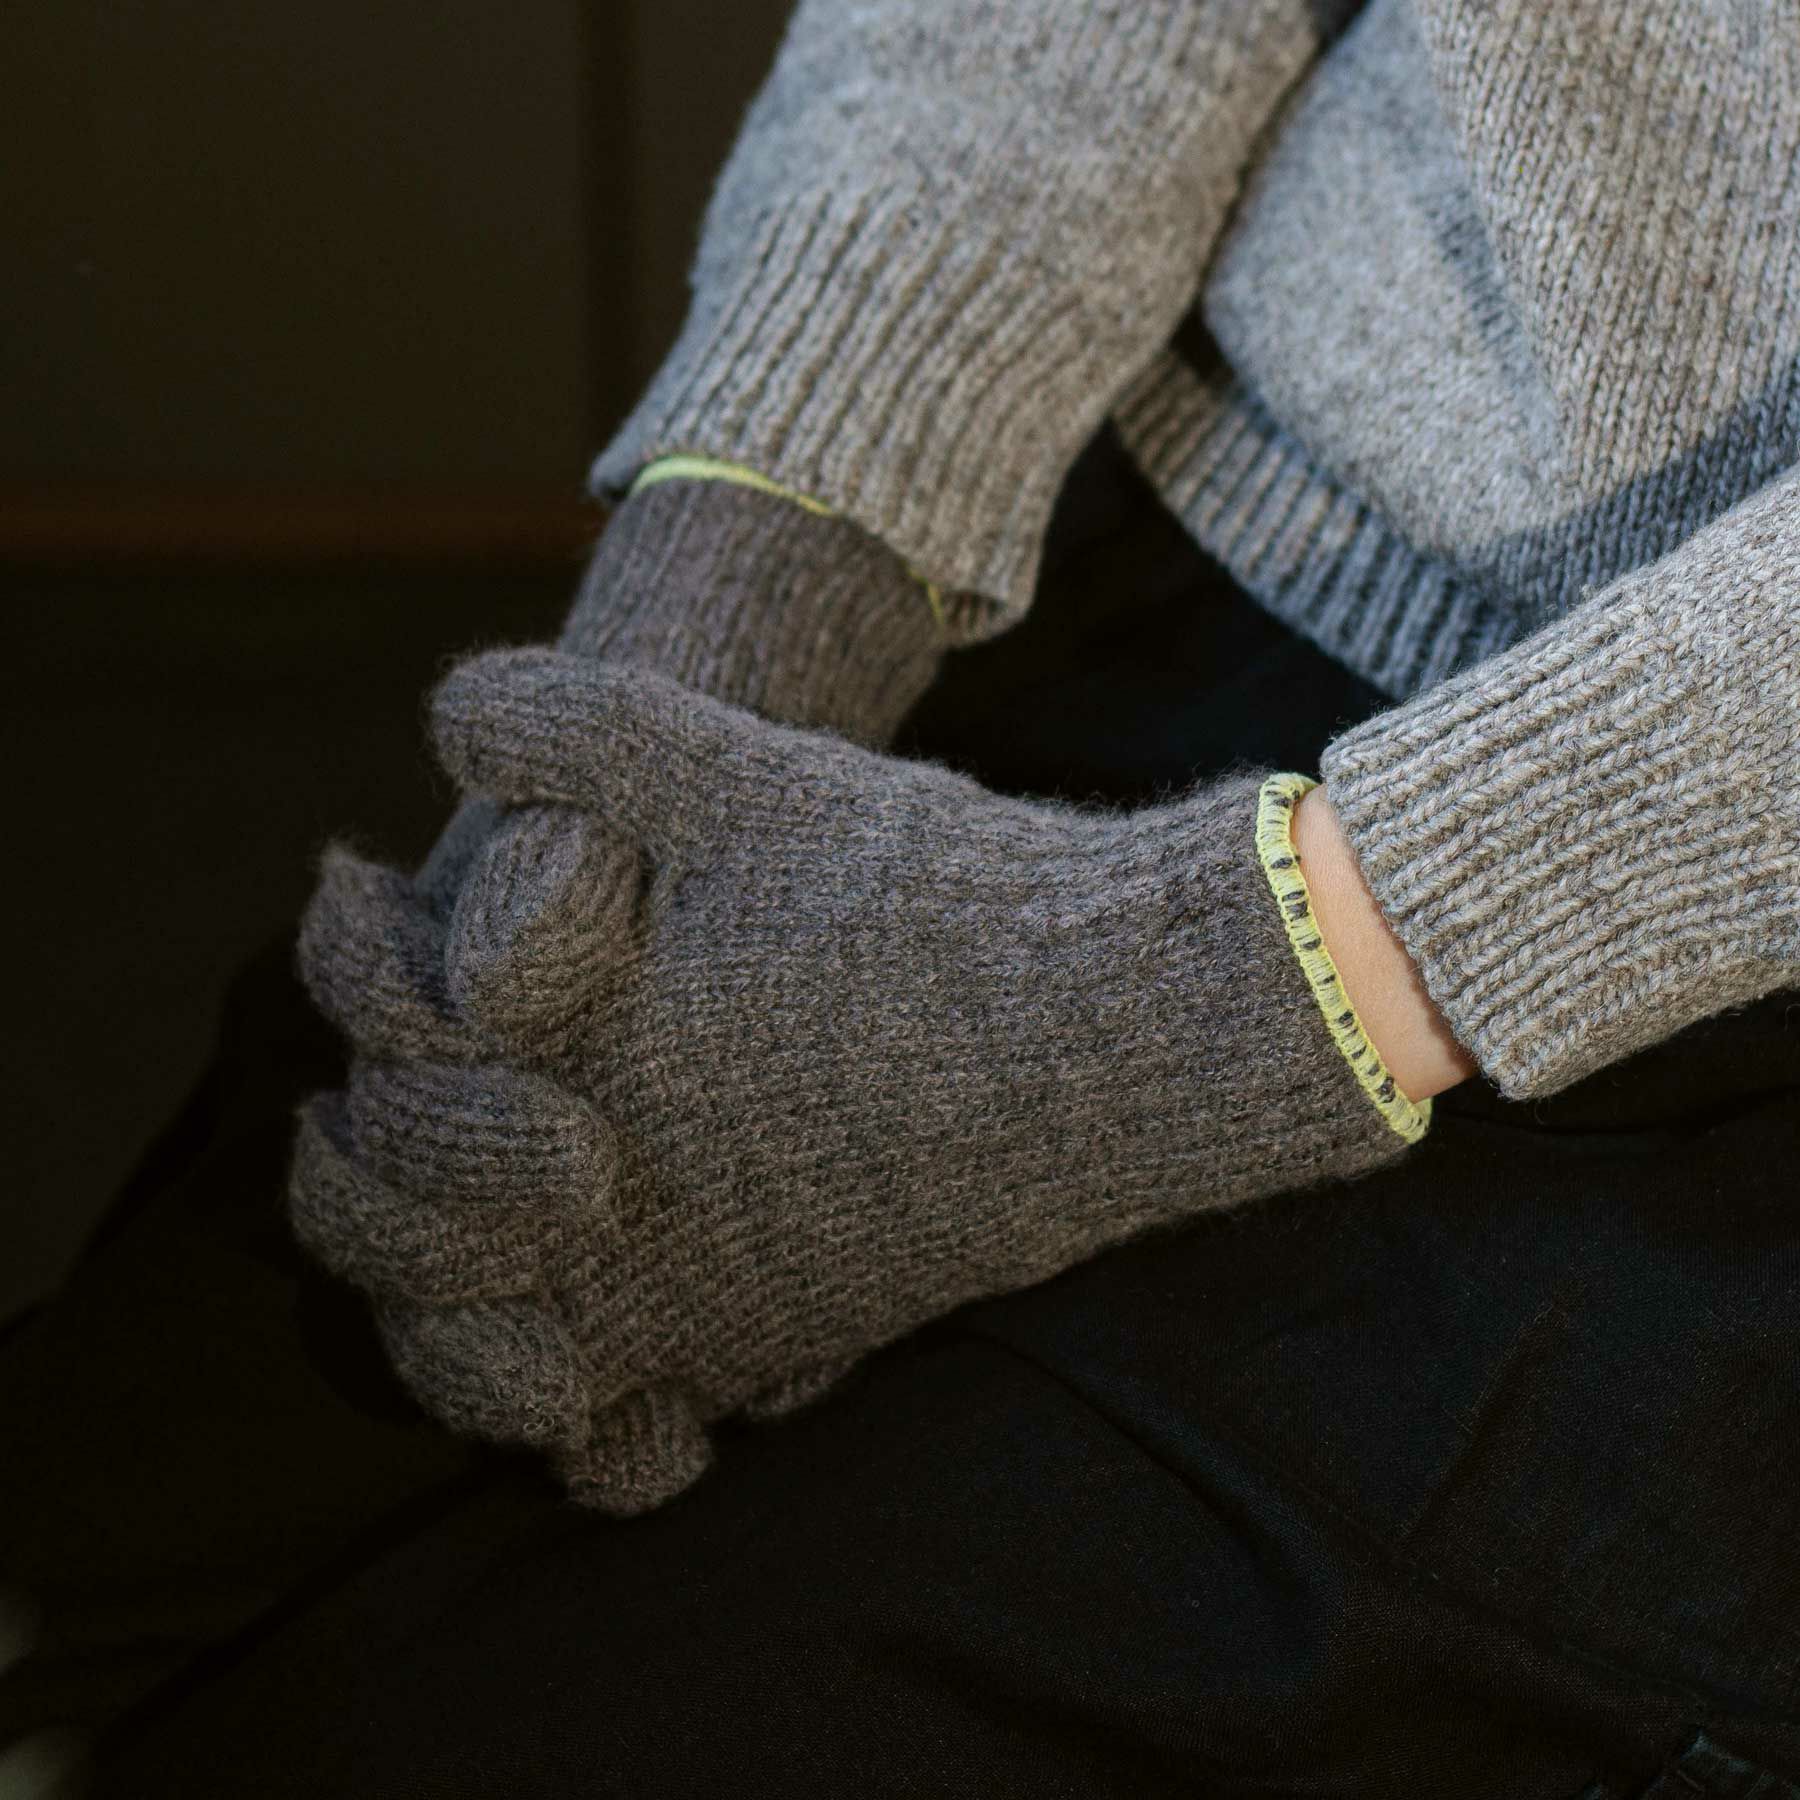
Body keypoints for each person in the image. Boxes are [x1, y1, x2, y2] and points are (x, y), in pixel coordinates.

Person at [3, 0, 1797, 1791]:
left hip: (1696, 983)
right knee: (149, 1455)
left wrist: (1130, 1012)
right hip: (1177, 529)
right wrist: (718, 640)